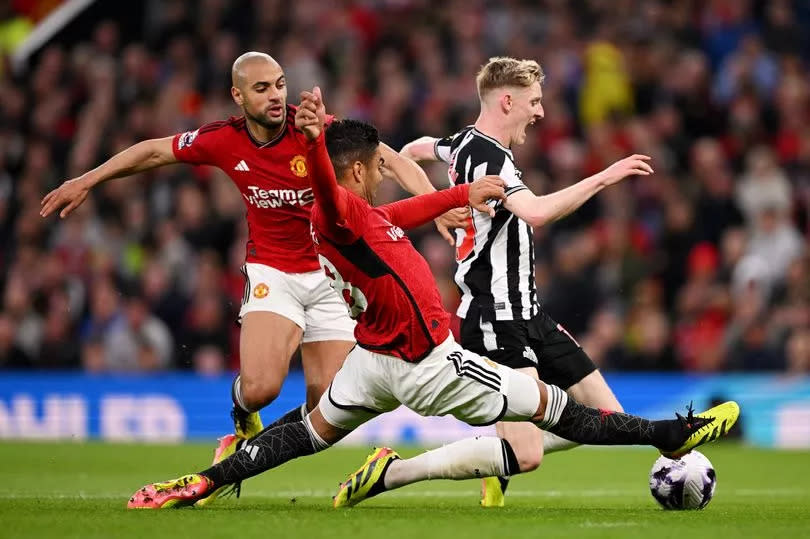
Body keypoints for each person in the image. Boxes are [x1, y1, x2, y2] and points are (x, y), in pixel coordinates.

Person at [125, 88, 739, 510]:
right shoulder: (337, 212)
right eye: (375, 166)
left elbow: (403, 211)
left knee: (307, 431)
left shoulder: (359, 218)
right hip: (429, 364)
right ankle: (670, 433)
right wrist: (313, 144)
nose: (381, 172)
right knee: (552, 407)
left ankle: (204, 481)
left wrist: (455, 197)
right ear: (360, 171)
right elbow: (336, 190)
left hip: (371, 362)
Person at [40, 52, 459, 504]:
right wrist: (88, 179)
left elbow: (390, 160)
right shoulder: (223, 139)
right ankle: (242, 411)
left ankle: (247, 459)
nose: (277, 95)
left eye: (280, 84)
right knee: (261, 388)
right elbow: (155, 150)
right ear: (237, 96)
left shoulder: (316, 129)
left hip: (328, 274)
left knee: (329, 407)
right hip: (273, 270)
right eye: (262, 88)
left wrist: (435, 203)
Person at [399, 56, 644, 506]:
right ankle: (401, 469)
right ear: (506, 101)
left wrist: (433, 205)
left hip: (530, 312)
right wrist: (606, 176)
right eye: (534, 102)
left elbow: (414, 149)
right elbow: (536, 212)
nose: (541, 112)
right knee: (527, 454)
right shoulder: (490, 157)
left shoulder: (460, 144)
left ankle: (496, 458)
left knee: (609, 417)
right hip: (496, 316)